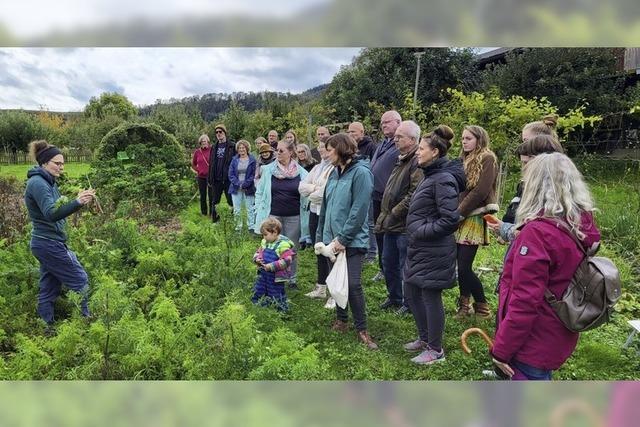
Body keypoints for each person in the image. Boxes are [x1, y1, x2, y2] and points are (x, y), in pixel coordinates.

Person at [491, 152, 601, 380]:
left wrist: (501, 350)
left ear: (535, 186)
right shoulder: (580, 225)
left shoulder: (538, 233)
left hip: (532, 340)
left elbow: (525, 302)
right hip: (558, 329)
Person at [403, 125, 466, 365]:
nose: (417, 153)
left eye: (421, 149)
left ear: (435, 152)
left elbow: (450, 219)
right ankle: (425, 337)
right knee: (411, 291)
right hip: (421, 247)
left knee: (430, 295)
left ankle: (436, 349)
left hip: (434, 249)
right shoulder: (430, 176)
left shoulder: (443, 179)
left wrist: (421, 231)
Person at [24, 140, 96, 335]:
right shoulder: (38, 183)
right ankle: (86, 322)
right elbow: (51, 213)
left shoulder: (46, 181)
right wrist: (78, 202)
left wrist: (77, 199)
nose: (61, 167)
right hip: (48, 243)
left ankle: (45, 328)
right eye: (57, 163)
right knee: (80, 280)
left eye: (63, 163)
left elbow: (55, 208)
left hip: (46, 243)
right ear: (45, 162)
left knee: (49, 286)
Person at [317, 133, 378, 350]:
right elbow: (326, 206)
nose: (326, 153)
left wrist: (343, 238)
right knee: (335, 281)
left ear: (342, 149)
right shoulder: (333, 172)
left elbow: (359, 209)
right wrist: (321, 237)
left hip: (352, 241)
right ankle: (341, 320)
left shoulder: (361, 173)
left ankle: (362, 329)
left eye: (330, 149)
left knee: (352, 284)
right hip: (331, 240)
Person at [375, 120, 423, 315]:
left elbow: (414, 193)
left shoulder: (417, 161)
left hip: (404, 224)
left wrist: (394, 212)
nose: (395, 139)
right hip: (390, 222)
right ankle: (394, 296)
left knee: (405, 265)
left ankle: (408, 303)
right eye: (395, 136)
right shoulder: (402, 157)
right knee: (388, 261)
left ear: (412, 140)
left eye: (400, 136)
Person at [488, 117, 563, 242]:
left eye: (526, 141)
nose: (523, 145)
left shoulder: (551, 187)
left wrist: (506, 230)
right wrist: (505, 228)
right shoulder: (528, 181)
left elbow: (535, 233)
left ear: (541, 142)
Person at [455, 125, 498, 319]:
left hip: (473, 216)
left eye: (469, 138)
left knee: (464, 266)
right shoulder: (463, 158)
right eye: (463, 138)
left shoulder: (487, 158)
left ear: (479, 139)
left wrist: (460, 212)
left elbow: (481, 190)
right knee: (460, 265)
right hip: (459, 215)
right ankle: (464, 305)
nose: (464, 141)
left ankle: (482, 306)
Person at [254, 138, 309, 288]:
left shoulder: (301, 173)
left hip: (294, 216)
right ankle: (271, 276)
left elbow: (307, 195)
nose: (277, 153)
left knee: (290, 248)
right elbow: (260, 192)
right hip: (273, 216)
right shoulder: (268, 170)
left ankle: (292, 279)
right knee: (271, 246)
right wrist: (258, 210)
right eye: (277, 150)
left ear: (291, 152)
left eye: (281, 150)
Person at [298, 138, 335, 307]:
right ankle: (321, 287)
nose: (321, 150)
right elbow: (301, 187)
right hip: (314, 213)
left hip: (327, 215)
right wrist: (314, 188)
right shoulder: (317, 167)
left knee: (330, 253)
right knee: (318, 250)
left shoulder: (334, 168)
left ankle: (334, 293)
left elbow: (325, 193)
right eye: (319, 147)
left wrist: (312, 190)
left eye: (325, 148)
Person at [370, 110, 402, 282]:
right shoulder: (383, 143)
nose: (383, 125)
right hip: (376, 196)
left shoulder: (400, 144)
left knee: (389, 233)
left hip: (390, 197)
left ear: (398, 122)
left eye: (387, 122)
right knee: (378, 232)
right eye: (382, 123)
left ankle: (391, 269)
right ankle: (383, 268)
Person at [251, 217, 296, 312]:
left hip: (275, 277)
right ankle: (260, 308)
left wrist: (271, 266)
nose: (264, 237)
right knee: (259, 289)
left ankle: (280, 312)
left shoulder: (283, 245)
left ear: (274, 232)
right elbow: (259, 252)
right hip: (263, 273)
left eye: (265, 234)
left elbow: (287, 260)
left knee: (275, 293)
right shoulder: (265, 242)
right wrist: (257, 259)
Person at [348, 121, 378, 263]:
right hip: (354, 190)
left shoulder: (371, 147)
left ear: (362, 132)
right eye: (349, 132)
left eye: (353, 131)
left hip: (368, 190)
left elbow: (373, 168)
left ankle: (372, 253)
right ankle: (362, 249)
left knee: (370, 222)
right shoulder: (349, 147)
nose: (351, 134)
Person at [207, 124, 236, 222]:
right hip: (216, 179)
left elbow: (236, 163)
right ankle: (215, 220)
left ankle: (233, 220)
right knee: (215, 201)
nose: (218, 134)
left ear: (225, 133)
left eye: (220, 132)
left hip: (228, 179)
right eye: (216, 132)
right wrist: (210, 178)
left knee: (231, 201)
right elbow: (211, 163)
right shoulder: (214, 147)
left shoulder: (232, 146)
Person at [228, 140, 257, 231]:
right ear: (237, 149)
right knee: (237, 209)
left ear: (247, 148)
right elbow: (231, 174)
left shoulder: (252, 160)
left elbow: (254, 174)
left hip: (249, 187)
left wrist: (245, 184)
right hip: (236, 188)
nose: (241, 149)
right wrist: (238, 184)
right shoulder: (234, 160)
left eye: (243, 148)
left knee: (250, 208)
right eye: (240, 148)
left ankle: (251, 227)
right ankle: (238, 227)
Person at [191, 134, 212, 216]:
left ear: (208, 142)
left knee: (211, 195)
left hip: (210, 177)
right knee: (202, 195)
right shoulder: (197, 152)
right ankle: (204, 213)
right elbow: (193, 164)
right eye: (202, 141)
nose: (204, 142)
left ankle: (212, 213)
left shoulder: (212, 150)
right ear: (200, 142)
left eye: (205, 141)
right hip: (201, 177)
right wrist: (198, 170)